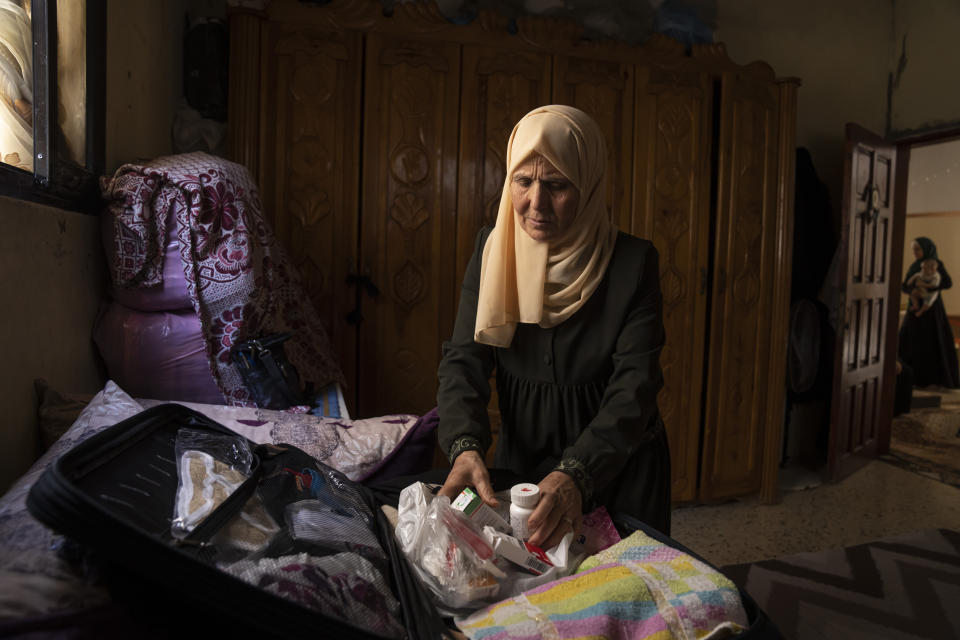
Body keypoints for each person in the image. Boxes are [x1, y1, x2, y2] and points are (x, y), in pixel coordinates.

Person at [435, 105, 670, 551]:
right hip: (523, 463)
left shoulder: (633, 263)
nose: (536, 203)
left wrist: (577, 473)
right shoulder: (493, 249)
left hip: (616, 465)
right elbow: (464, 359)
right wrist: (464, 445)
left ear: (589, 184)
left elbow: (634, 387)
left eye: (557, 185)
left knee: (618, 599)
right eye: (523, 182)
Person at [898, 237, 959, 388]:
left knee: (933, 342)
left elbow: (947, 283)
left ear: (926, 248)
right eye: (914, 250)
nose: (915, 253)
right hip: (915, 309)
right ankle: (910, 378)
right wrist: (914, 290)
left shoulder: (936, 264)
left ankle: (935, 380)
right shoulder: (915, 266)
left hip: (932, 310)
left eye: (918, 249)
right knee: (910, 340)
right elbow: (905, 286)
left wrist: (927, 288)